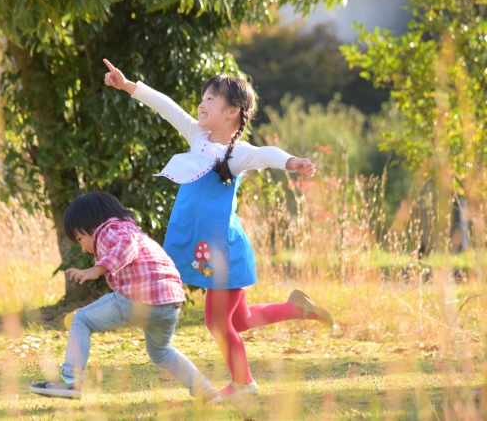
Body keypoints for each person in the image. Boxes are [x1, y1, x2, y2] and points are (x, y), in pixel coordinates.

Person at [102, 59, 333, 397]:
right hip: (208, 251)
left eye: (211, 98)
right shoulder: (197, 137)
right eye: (203, 97)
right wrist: (129, 86)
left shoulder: (236, 154)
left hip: (224, 251)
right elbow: (167, 107)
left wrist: (292, 163)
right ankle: (299, 309)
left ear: (233, 112)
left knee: (217, 323)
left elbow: (266, 153)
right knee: (240, 322)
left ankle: (244, 385)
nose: (201, 103)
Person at [30, 192, 222, 405]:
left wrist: (97, 269)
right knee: (161, 352)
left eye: (79, 239)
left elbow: (126, 245)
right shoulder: (133, 230)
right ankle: (206, 391)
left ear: (90, 223)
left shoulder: (107, 230)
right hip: (170, 302)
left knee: (81, 320)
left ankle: (70, 379)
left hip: (139, 298)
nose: (84, 247)